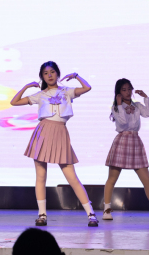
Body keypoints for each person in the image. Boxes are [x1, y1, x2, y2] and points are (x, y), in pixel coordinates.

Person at [10, 61, 98, 227]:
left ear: (57, 73)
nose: (49, 75)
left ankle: (91, 214)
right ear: (42, 77)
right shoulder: (40, 94)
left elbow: (87, 87)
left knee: (72, 177)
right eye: (45, 73)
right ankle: (42, 215)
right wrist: (27, 86)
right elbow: (14, 102)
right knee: (41, 177)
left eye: (52, 72)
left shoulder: (67, 91)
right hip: (43, 132)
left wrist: (76, 76)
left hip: (60, 133)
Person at [102, 78, 149, 222]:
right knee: (112, 178)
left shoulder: (137, 105)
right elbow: (123, 122)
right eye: (124, 90)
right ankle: (106, 210)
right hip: (122, 141)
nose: (127, 92)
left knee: (147, 179)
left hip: (135, 141)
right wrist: (119, 104)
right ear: (118, 92)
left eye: (129, 89)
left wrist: (146, 98)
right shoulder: (115, 107)